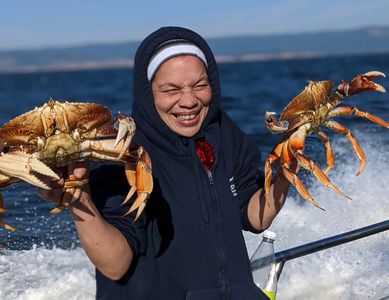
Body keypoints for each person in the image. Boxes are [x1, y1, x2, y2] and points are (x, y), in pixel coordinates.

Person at [39, 26, 295, 300]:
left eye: (200, 85)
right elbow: (115, 265)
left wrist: (283, 175)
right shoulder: (123, 154)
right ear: (148, 94)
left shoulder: (222, 132)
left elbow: (254, 216)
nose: (189, 101)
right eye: (170, 90)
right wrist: (80, 198)